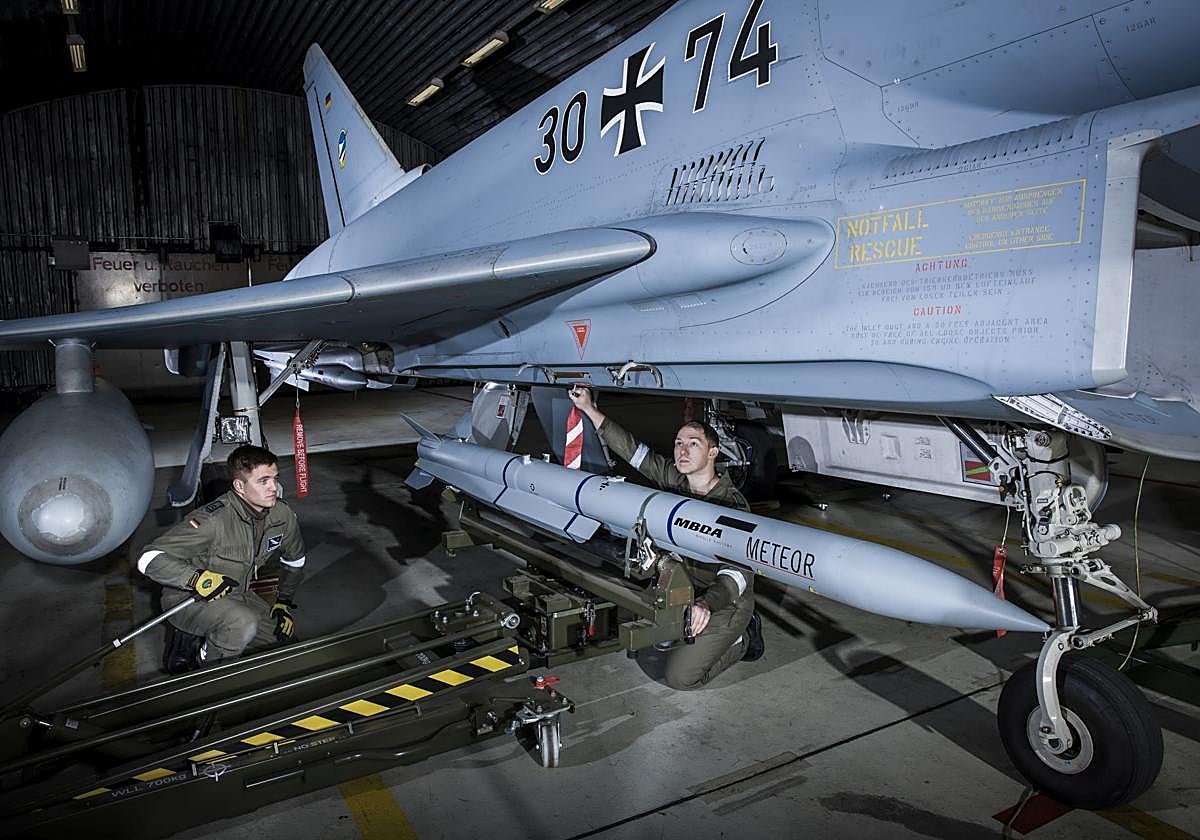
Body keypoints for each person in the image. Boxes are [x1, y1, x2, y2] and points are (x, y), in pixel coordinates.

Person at [567, 385, 764, 690]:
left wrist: (707, 604)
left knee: (681, 678)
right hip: (683, 586)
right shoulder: (675, 479)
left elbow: (737, 575)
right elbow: (634, 452)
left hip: (723, 600)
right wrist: (589, 409)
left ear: (713, 453)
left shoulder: (733, 506)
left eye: (693, 444)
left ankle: (743, 638)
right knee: (627, 623)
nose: (683, 451)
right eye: (678, 443)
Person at [137, 445, 307, 672]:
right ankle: (207, 672)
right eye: (263, 481)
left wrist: (283, 601)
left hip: (238, 595)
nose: (273, 488)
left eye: (275, 479)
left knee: (283, 640)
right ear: (239, 486)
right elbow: (149, 559)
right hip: (189, 598)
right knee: (241, 623)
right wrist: (197, 579)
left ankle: (217, 637)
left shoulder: (282, 515)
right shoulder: (213, 520)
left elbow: (295, 561)